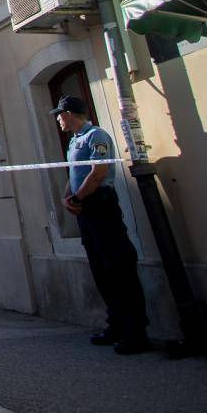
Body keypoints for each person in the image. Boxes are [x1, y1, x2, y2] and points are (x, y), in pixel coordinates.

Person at [55, 95, 151, 355]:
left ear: (69, 113)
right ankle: (116, 324)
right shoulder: (74, 141)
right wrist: (68, 197)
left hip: (100, 205)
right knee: (101, 269)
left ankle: (136, 331)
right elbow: (73, 173)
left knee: (118, 266)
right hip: (84, 209)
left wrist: (78, 197)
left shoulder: (96, 136)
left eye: (60, 114)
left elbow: (97, 173)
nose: (58, 120)